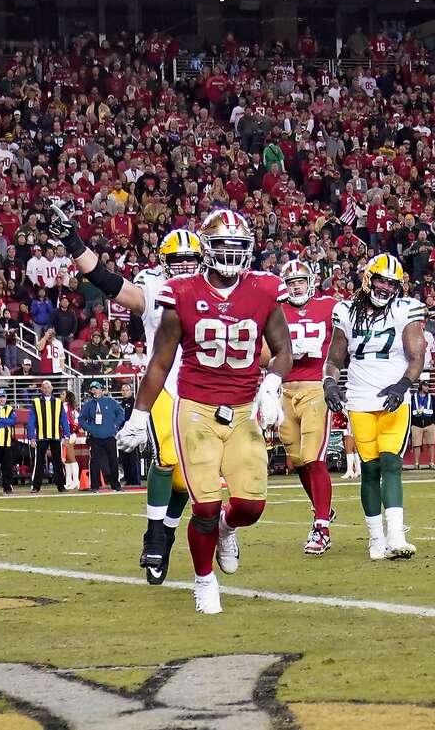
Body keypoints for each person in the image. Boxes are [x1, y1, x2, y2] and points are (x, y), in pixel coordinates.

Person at [117, 209, 292, 614]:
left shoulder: (266, 289)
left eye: (238, 247)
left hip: (245, 406)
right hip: (195, 408)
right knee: (206, 506)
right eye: (223, 247)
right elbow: (160, 362)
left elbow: (282, 351)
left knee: (249, 507)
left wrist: (271, 384)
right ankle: (203, 580)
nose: (230, 256)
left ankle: (229, 531)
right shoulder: (180, 292)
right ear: (206, 249)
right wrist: (140, 414)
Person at [48, 202, 204, 585]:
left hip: (207, 386)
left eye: (191, 259)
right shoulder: (153, 285)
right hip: (166, 384)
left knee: (193, 479)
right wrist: (72, 241)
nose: (184, 266)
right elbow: (107, 281)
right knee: (167, 456)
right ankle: (155, 533)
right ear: (165, 262)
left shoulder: (217, 285)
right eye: (177, 260)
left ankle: (166, 532)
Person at [323, 252, 425, 562]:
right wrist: (329, 383)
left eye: (391, 283)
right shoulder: (345, 311)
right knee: (369, 469)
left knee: (391, 463)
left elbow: (416, 355)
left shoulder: (406, 309)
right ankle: (376, 539)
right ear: (368, 279)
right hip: (359, 397)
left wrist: (403, 385)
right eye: (380, 280)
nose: (385, 288)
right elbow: (334, 359)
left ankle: (395, 534)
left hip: (394, 398)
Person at [277, 259, 339, 556]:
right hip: (285, 389)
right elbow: (264, 350)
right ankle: (322, 506)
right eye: (290, 283)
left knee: (313, 457)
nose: (296, 286)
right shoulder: (276, 309)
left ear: (311, 281)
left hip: (316, 387)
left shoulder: (329, 306)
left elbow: (344, 340)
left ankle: (322, 527)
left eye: (300, 281)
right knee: (297, 460)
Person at [80, 381, 125, 492]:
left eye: (97, 388)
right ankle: (95, 486)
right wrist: (89, 428)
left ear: (101, 390)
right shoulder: (88, 405)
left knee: (113, 460)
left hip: (109, 436)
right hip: (95, 437)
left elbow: (121, 412)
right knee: (95, 461)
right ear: (90, 391)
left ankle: (116, 485)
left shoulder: (109, 401)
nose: (95, 391)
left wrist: (115, 424)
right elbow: (81, 418)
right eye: (92, 389)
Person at [27, 379, 68, 493]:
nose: (46, 390)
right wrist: (31, 437)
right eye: (44, 388)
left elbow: (64, 420)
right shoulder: (35, 402)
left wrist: (66, 435)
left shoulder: (59, 402)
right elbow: (31, 421)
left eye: (48, 387)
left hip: (55, 436)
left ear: (52, 388)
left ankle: (61, 485)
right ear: (41, 389)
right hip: (41, 436)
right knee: (39, 462)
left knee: (58, 461)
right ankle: (36, 486)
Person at [409, 378, 435, 469]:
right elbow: (409, 410)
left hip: (429, 424)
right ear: (421, 386)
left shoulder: (431, 397)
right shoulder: (413, 397)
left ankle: (432, 463)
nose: (427, 387)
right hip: (416, 424)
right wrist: (411, 424)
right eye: (425, 385)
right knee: (416, 445)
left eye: (428, 386)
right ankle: (416, 463)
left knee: (431, 444)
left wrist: (434, 423)